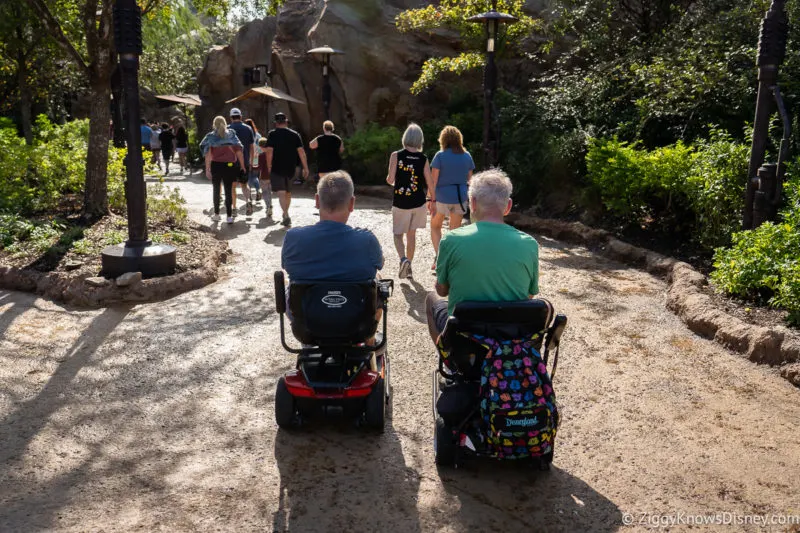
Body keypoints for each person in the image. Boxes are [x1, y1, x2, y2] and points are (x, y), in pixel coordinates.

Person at [425, 169, 539, 344]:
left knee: (431, 299)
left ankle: (447, 356)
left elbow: (442, 290)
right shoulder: (529, 244)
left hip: (465, 337)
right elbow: (529, 296)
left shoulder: (451, 240)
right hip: (509, 338)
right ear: (508, 206)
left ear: (473, 203)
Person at [282, 170, 383, 284]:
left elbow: (286, 266)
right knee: (378, 276)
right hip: (355, 300)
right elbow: (379, 264)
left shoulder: (293, 238)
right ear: (352, 203)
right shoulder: (367, 240)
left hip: (307, 301)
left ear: (317, 201)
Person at [386, 123, 433, 280]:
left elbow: (390, 179)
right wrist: (433, 200)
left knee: (398, 234)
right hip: (418, 203)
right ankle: (409, 266)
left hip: (401, 202)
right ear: (420, 140)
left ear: (405, 137)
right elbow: (430, 182)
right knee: (411, 234)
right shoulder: (423, 159)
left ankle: (403, 260)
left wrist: (392, 180)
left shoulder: (396, 155)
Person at [430, 125, 475, 272]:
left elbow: (433, 181)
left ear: (443, 139)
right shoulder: (467, 156)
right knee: (454, 232)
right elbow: (470, 181)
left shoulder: (440, 156)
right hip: (460, 197)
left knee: (435, 226)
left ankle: (439, 257)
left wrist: (430, 199)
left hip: (442, 197)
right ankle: (451, 262)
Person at [200, 116, 247, 224]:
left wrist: (207, 169)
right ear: (225, 123)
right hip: (230, 166)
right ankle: (229, 217)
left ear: (213, 124)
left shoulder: (210, 136)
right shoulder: (231, 134)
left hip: (216, 166)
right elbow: (239, 150)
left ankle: (216, 215)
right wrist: (242, 166)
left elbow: (207, 154)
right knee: (228, 191)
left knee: (216, 191)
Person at [265, 112, 309, 227]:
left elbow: (269, 151)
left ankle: (285, 214)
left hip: (276, 167)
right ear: (286, 121)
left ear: (276, 123)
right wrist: (305, 167)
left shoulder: (272, 134)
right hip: (291, 168)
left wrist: (268, 166)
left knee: (281, 192)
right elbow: (301, 152)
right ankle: (286, 214)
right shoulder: (295, 134)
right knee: (288, 192)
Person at [228, 108, 255, 216]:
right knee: (244, 184)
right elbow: (252, 147)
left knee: (232, 186)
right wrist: (251, 161)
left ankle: (234, 209)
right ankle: (248, 201)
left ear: (231, 117)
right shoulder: (248, 128)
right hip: (245, 161)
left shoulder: (227, 129)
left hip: (231, 163)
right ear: (241, 116)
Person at [245, 118, 265, 204]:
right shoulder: (258, 135)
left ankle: (249, 195)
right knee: (255, 176)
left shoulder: (245, 134)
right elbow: (261, 147)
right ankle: (258, 190)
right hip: (256, 157)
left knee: (248, 177)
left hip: (247, 157)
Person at [257, 137, 274, 219]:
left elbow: (259, 167)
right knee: (270, 192)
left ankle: (268, 206)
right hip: (273, 176)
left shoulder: (261, 156)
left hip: (264, 176)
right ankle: (269, 205)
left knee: (265, 192)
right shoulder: (273, 154)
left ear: (261, 146)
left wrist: (252, 167)